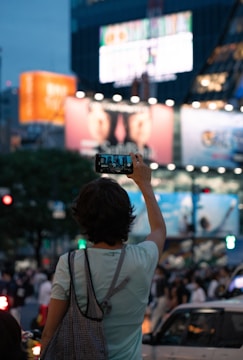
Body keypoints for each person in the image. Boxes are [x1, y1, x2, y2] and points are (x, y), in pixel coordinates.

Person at [40, 152, 167, 359]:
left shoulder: (70, 264)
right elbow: (159, 230)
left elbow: (49, 333)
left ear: (82, 219)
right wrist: (145, 184)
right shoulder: (144, 258)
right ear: (128, 217)